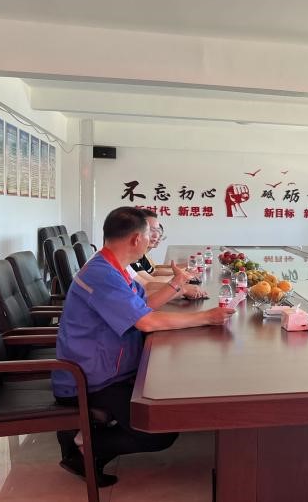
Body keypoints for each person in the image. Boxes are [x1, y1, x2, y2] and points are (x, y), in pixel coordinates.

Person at [52, 206, 235, 486]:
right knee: (158, 432)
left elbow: (142, 307)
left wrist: (176, 284)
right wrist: (206, 317)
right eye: (151, 234)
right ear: (137, 239)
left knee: (169, 389)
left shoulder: (112, 266)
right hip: (90, 378)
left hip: (109, 367)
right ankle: (82, 447)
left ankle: (89, 441)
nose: (153, 240)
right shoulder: (102, 274)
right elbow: (146, 322)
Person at [129, 210, 206, 299]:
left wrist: (181, 281)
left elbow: (147, 284)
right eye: (150, 230)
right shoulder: (124, 263)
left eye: (158, 232)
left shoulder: (129, 262)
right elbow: (147, 288)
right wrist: (180, 285)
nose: (156, 237)